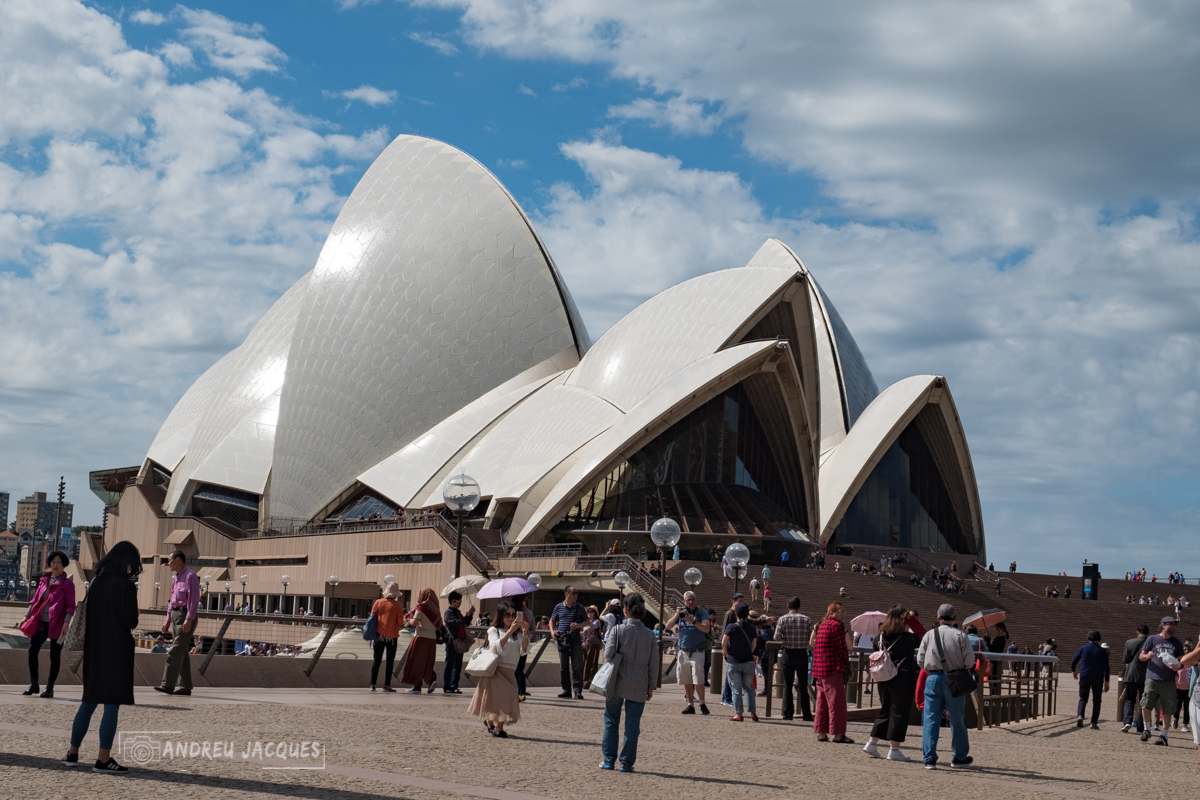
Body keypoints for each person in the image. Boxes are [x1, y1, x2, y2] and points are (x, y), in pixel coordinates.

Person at [62, 540, 141, 773]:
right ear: (127, 562)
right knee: (111, 705)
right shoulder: (126, 586)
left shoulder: (96, 582)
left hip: (95, 648)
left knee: (88, 702)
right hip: (117, 649)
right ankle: (103, 759)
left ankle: (72, 753)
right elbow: (131, 621)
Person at [600, 592, 658, 772]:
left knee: (611, 720)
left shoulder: (618, 630)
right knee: (632, 725)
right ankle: (626, 762)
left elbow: (608, 654)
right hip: (639, 681)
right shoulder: (650, 634)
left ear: (625, 610)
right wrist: (651, 685)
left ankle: (609, 760)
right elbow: (654, 663)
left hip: (617, 680)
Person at [917, 603, 975, 769]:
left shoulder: (929, 635)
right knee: (957, 719)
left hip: (933, 678)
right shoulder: (961, 635)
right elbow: (969, 661)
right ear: (955, 618)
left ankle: (929, 758)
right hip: (955, 679)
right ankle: (959, 757)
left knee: (931, 718)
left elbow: (920, 660)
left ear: (938, 618)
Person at [864, 605, 922, 761]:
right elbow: (924, 636)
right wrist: (913, 621)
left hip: (883, 676)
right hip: (903, 677)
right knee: (899, 712)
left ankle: (872, 742)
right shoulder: (907, 638)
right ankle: (894, 749)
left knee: (885, 710)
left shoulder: (880, 637)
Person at [21, 550, 76, 699]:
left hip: (58, 624)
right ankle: (34, 684)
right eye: (53, 562)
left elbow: (71, 606)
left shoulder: (68, 584)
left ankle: (50, 688)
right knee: (32, 650)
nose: (55, 565)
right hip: (41, 622)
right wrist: (27, 616)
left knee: (54, 656)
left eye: (58, 562)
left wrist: (66, 623)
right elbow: (35, 600)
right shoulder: (43, 580)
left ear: (64, 565)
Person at [468, 601, 527, 737]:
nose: (510, 617)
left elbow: (524, 651)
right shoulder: (494, 630)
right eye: (507, 614)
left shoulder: (517, 633)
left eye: (513, 615)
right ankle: (496, 727)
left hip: (510, 670)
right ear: (500, 615)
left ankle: (493, 724)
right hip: (496, 669)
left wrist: (524, 634)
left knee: (507, 697)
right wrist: (510, 631)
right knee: (494, 699)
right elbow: (496, 647)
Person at [154, 550, 199, 696]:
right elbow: (172, 602)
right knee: (182, 652)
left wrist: (189, 618)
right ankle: (185, 686)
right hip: (175, 616)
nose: (168, 563)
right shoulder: (176, 578)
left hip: (185, 616)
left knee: (174, 651)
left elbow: (193, 599)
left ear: (178, 560)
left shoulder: (190, 576)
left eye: (169, 560)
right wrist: (167, 620)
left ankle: (167, 685)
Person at [1138, 616, 1184, 746]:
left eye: (1175, 625)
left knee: (1168, 708)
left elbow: (1182, 661)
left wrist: (1178, 666)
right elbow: (1141, 656)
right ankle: (1147, 729)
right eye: (1171, 624)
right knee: (1145, 704)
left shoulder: (1177, 642)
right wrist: (1147, 655)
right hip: (1152, 678)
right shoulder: (1152, 639)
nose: (1174, 626)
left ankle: (1164, 735)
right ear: (1163, 625)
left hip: (1169, 680)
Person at [812, 600, 852, 742]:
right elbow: (843, 648)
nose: (844, 614)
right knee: (837, 702)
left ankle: (822, 733)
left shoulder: (822, 625)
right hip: (832, 668)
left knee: (821, 702)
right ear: (831, 612)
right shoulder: (837, 626)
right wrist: (846, 664)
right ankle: (838, 734)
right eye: (841, 611)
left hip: (819, 669)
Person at [666, 591, 710, 714]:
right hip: (683, 651)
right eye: (688, 600)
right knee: (686, 680)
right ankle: (690, 705)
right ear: (684, 602)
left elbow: (706, 629)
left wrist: (693, 621)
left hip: (697, 651)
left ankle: (702, 703)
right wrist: (676, 615)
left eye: (692, 599)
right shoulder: (681, 613)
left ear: (695, 600)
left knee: (698, 679)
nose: (690, 602)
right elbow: (668, 626)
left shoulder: (701, 612)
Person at [773, 596, 814, 721]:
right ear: (799, 607)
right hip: (802, 653)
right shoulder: (807, 619)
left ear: (788, 607)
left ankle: (788, 713)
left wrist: (786, 639)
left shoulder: (782, 619)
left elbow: (776, 637)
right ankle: (806, 714)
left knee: (788, 685)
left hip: (788, 653)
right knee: (803, 685)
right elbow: (812, 638)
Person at [722, 602, 759, 722]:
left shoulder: (731, 627)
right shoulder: (752, 628)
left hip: (734, 661)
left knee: (736, 690)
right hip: (748, 661)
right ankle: (753, 712)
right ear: (747, 614)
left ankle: (739, 714)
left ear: (736, 614)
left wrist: (727, 654)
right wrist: (748, 652)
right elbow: (754, 644)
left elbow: (724, 642)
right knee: (749, 688)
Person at [400, 587, 442, 693]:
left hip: (421, 637)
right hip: (432, 639)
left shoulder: (421, 607)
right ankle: (431, 680)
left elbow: (415, 623)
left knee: (416, 661)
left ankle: (417, 685)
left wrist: (408, 622)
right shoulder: (436, 609)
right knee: (428, 662)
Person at [550, 585, 588, 699]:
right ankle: (566, 690)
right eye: (574, 593)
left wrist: (579, 625)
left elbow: (587, 621)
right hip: (562, 638)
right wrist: (552, 632)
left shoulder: (580, 607)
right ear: (567, 594)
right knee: (564, 666)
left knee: (576, 666)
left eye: (577, 593)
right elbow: (552, 620)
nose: (576, 596)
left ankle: (577, 691)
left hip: (575, 638)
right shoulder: (558, 607)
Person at [1070, 630, 1110, 729]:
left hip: (1085, 675)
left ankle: (1080, 715)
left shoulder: (1083, 648)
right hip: (1097, 677)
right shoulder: (1102, 651)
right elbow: (1107, 667)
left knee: (1083, 698)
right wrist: (1106, 681)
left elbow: (1073, 661)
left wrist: (1074, 671)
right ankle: (1093, 722)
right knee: (1097, 700)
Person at [369, 582, 404, 692]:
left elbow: (372, 616)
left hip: (378, 635)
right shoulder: (398, 605)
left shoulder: (378, 602)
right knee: (390, 662)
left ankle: (372, 684)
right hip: (392, 637)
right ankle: (387, 685)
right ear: (395, 594)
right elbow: (400, 622)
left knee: (377, 660)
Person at [442, 590, 475, 694]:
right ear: (453, 601)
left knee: (458, 665)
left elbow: (465, 624)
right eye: (459, 601)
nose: (460, 603)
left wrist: (470, 615)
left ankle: (454, 685)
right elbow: (456, 623)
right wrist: (466, 616)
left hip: (460, 642)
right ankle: (447, 687)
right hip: (452, 643)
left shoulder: (458, 612)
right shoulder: (448, 613)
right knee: (450, 665)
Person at [1122, 625, 1150, 733]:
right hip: (1146, 675)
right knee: (1143, 702)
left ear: (1137, 632)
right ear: (1148, 633)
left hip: (1131, 674)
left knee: (1129, 700)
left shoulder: (1129, 642)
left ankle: (1127, 721)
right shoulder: (1150, 643)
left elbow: (1126, 659)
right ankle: (1140, 727)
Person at [512, 594, 534, 701]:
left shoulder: (509, 612)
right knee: (520, 668)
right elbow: (533, 628)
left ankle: (516, 690)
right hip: (524, 640)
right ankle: (522, 691)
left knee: (514, 668)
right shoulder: (528, 613)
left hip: (512, 641)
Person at [581, 605, 604, 689]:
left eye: (592, 612)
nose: (589, 613)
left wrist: (585, 622)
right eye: (588, 612)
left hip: (594, 644)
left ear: (595, 613)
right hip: (585, 644)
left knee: (592, 663)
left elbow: (593, 626)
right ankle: (584, 679)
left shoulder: (597, 621)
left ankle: (590, 680)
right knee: (584, 662)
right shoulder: (585, 622)